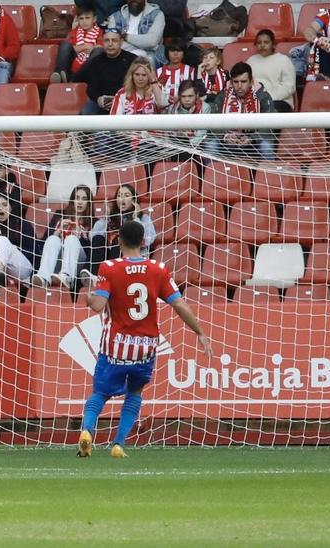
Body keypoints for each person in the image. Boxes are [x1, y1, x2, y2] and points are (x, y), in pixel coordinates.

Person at [77, 221, 212, 459]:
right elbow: (178, 304)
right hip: (146, 347)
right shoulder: (158, 269)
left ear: (118, 240)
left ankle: (87, 431)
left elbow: (98, 306)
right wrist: (199, 332)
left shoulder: (108, 267)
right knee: (135, 392)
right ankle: (119, 444)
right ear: (143, 242)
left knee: (100, 392)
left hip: (116, 345)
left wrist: (88, 297)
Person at [34, 184, 94, 287]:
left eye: (84, 199)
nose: (80, 202)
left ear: (88, 203)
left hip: (78, 263)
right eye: (77, 198)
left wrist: (80, 236)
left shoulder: (93, 222)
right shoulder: (59, 215)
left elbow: (93, 252)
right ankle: (43, 277)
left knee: (71, 239)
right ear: (72, 200)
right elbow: (43, 243)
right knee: (53, 239)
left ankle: (66, 277)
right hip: (57, 260)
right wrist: (58, 231)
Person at [299, 0, 330, 81]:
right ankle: (324, 76)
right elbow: (309, 30)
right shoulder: (325, 15)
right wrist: (319, 41)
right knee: (318, 38)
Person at [51, 5, 101, 84]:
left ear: (94, 19)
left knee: (98, 52)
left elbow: (98, 48)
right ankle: (60, 75)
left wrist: (78, 48)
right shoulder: (74, 32)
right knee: (65, 45)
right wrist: (86, 46)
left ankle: (74, 79)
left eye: (87, 18)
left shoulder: (100, 32)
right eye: (81, 18)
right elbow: (68, 48)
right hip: (73, 64)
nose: (84, 21)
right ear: (78, 20)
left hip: (88, 68)